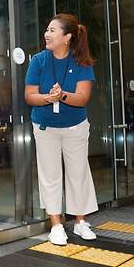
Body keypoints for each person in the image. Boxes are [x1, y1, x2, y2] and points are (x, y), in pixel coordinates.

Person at [24, 13, 99, 246]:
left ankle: (80, 222)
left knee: (78, 172)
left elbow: (83, 97)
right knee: (50, 175)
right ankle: (56, 224)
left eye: (52, 30)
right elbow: (29, 96)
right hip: (45, 126)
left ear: (67, 37)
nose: (47, 34)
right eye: (47, 29)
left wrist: (62, 95)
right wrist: (49, 98)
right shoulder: (38, 60)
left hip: (75, 126)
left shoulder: (82, 62)